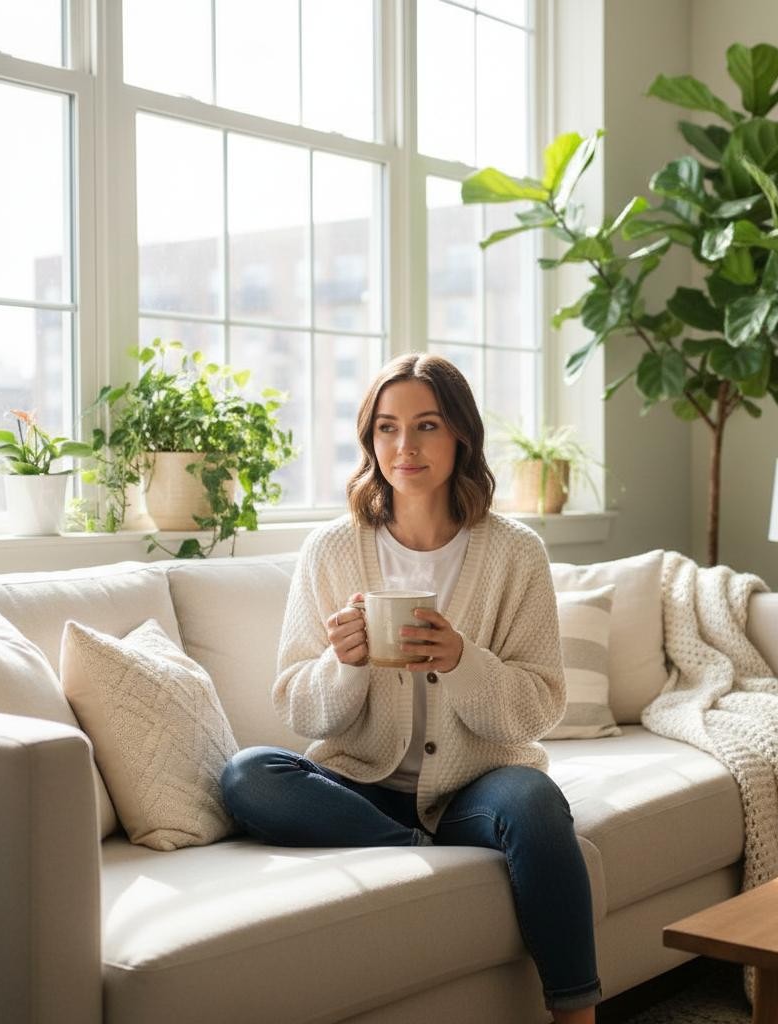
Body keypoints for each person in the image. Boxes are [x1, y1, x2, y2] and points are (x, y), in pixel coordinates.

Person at [221, 353, 601, 1023]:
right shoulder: (333, 550)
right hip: (360, 784)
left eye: (426, 425)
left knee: (537, 803)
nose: (406, 446)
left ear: (461, 435)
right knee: (249, 774)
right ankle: (422, 854)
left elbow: (538, 708)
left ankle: (575, 1012)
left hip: (474, 784)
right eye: (387, 428)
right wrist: (346, 663)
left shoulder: (516, 552)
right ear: (370, 440)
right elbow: (296, 704)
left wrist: (462, 661)